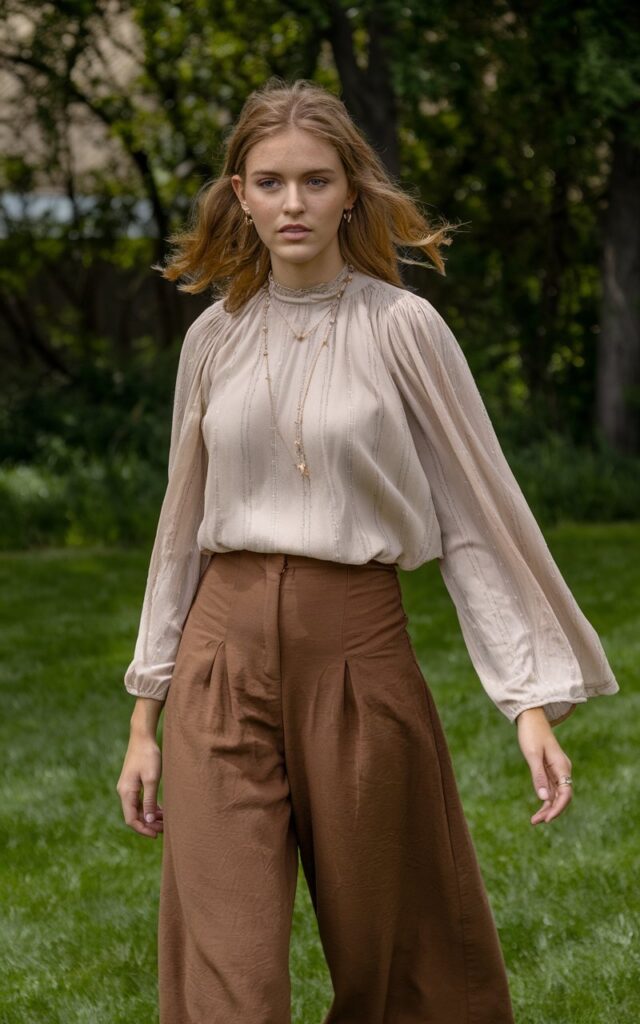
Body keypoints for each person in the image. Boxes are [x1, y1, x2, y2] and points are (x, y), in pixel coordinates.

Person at [116, 77, 619, 1024]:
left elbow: (477, 515)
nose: (292, 204)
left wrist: (528, 702)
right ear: (239, 193)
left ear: (352, 189)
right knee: (230, 977)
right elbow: (178, 531)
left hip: (356, 652)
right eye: (269, 183)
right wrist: (146, 712)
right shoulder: (212, 339)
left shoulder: (404, 328)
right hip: (220, 663)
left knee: (396, 955)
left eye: (314, 181)